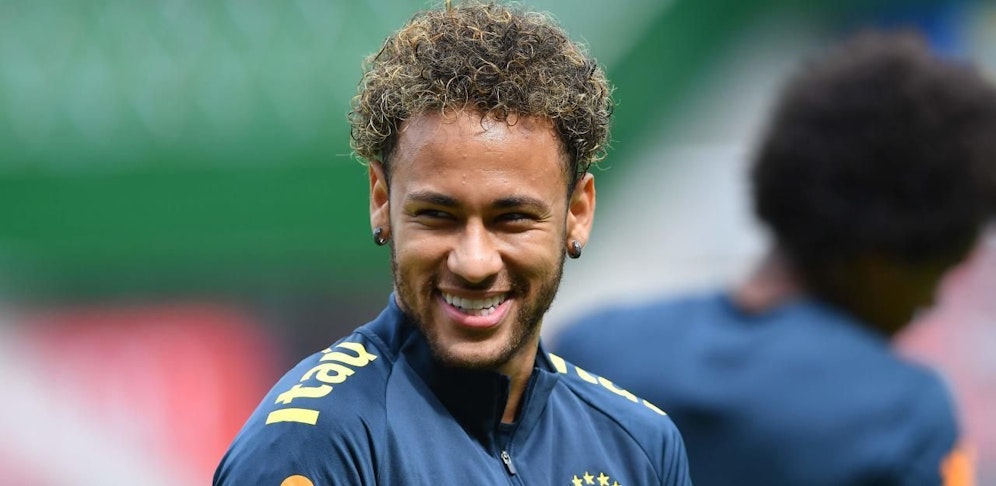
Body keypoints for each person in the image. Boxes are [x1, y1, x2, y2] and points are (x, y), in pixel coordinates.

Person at [213, 2, 692, 485]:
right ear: (382, 202)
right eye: (438, 216)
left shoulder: (640, 446)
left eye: (513, 219)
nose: (474, 262)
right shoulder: (313, 445)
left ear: (578, 213)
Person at [552, 31, 996, 486]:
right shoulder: (905, 417)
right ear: (881, 261)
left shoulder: (590, 350)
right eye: (936, 273)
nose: (931, 301)